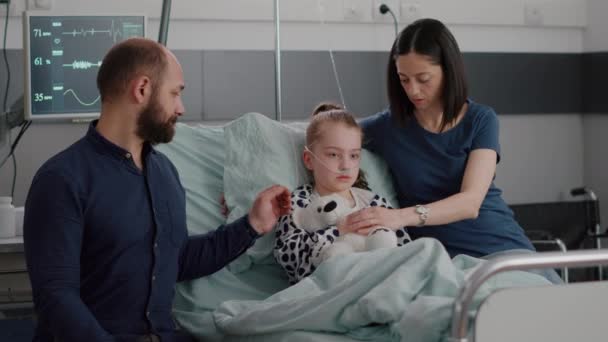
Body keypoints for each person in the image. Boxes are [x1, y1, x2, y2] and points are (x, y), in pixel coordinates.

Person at [23, 38, 291, 342]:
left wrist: (253, 225)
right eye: (175, 93)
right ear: (142, 89)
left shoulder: (164, 172)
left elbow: (176, 260)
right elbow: (56, 298)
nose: (181, 107)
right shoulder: (62, 179)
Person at [346, 18, 561, 283]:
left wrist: (398, 217)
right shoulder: (387, 127)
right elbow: (330, 132)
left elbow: (470, 203)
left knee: (560, 312)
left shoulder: (481, 120)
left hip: (502, 248)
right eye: (404, 79)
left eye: (423, 79)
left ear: (448, 71)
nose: (413, 90)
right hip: (444, 263)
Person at [273, 103, 411, 284]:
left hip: (381, 283)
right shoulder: (298, 204)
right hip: (330, 290)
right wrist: (338, 230)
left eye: (353, 155)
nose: (345, 165)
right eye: (333, 155)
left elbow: (407, 254)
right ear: (309, 160)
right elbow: (290, 259)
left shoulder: (374, 204)